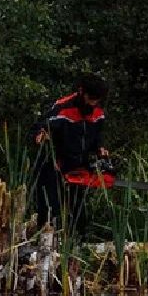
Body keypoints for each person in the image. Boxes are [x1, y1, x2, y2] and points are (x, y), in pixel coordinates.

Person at [34, 74, 110, 229]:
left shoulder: (98, 112)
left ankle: (77, 244)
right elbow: (41, 130)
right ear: (82, 92)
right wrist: (42, 139)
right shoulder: (63, 108)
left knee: (79, 212)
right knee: (51, 211)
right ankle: (46, 242)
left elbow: (97, 135)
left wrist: (99, 148)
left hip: (80, 167)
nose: (93, 103)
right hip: (56, 166)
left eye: (97, 100)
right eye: (91, 98)